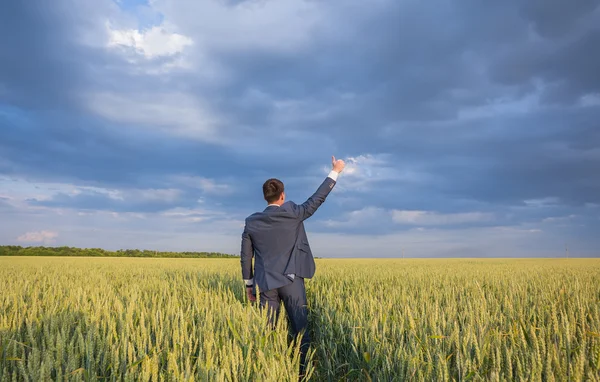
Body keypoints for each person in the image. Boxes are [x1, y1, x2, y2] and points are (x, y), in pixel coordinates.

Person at [240, 155, 346, 377]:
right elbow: (317, 199)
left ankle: (268, 372)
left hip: (265, 283)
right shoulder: (294, 213)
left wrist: (249, 286)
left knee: (266, 333)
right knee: (300, 332)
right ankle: (302, 374)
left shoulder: (252, 221)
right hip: (292, 281)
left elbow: (246, 255)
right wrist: (335, 171)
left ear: (265, 197)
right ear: (282, 195)